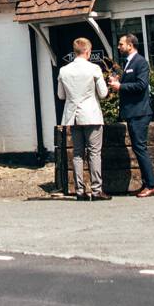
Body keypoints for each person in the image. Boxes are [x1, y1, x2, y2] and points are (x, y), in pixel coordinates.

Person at [57, 37, 110, 199]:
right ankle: (96, 190)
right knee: (94, 152)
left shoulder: (64, 70)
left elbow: (60, 95)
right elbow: (103, 93)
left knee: (78, 153)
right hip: (91, 114)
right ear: (87, 51)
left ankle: (79, 190)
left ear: (75, 51)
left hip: (73, 116)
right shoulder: (94, 68)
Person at [115, 33, 154, 197]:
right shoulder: (128, 63)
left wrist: (120, 87)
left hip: (140, 112)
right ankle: (146, 183)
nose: (119, 47)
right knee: (138, 148)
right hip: (133, 112)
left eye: (121, 44)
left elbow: (141, 85)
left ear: (130, 45)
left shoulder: (140, 62)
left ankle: (151, 185)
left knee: (140, 148)